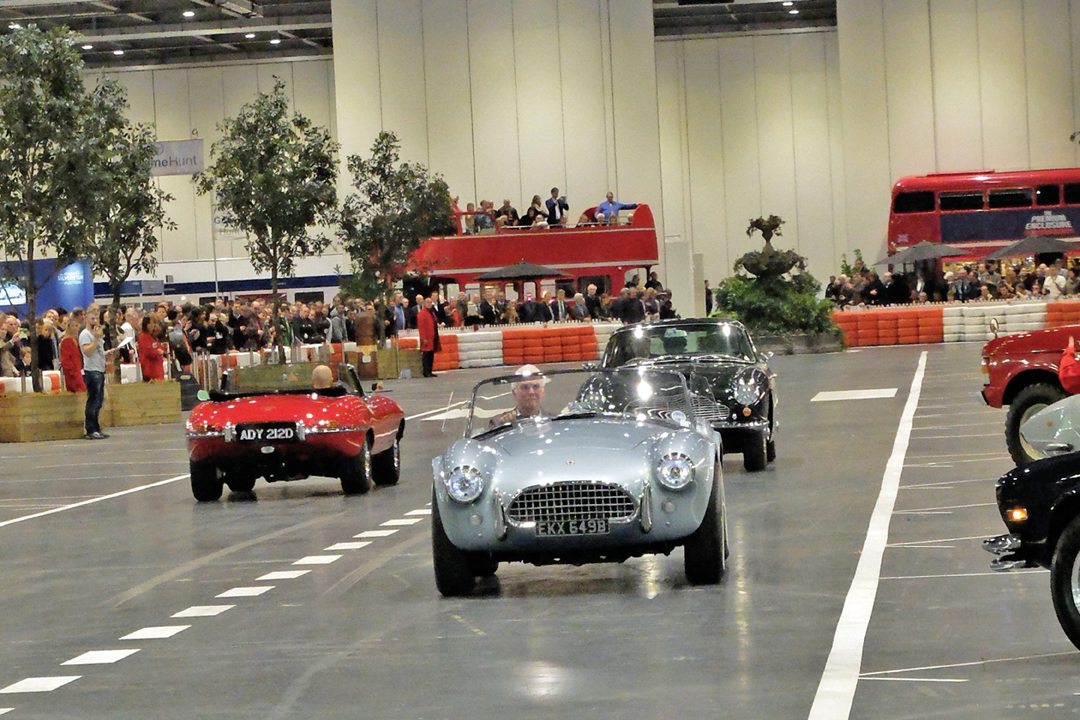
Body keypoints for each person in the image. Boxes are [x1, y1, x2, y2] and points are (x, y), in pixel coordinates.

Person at [80, 309, 116, 439]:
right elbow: (87, 352)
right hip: (92, 370)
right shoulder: (85, 334)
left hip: (100, 369)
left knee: (99, 400)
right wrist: (96, 339)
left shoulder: (97, 335)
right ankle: (90, 429)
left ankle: (96, 427)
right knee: (93, 400)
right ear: (86, 319)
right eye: (92, 319)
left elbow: (98, 352)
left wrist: (107, 353)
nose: (95, 322)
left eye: (96, 319)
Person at [59, 315, 85, 392]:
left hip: (78, 371)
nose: (74, 328)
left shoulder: (76, 339)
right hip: (72, 374)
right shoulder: (66, 341)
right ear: (68, 327)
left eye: (76, 326)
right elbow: (65, 360)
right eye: (72, 326)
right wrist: (73, 372)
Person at [418, 295, 441, 378]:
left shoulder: (431, 313)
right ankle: (426, 372)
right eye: (428, 302)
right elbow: (421, 327)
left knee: (431, 355)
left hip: (432, 337)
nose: (429, 304)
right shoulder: (422, 313)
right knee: (426, 355)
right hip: (426, 338)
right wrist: (423, 338)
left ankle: (430, 371)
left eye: (430, 302)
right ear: (424, 303)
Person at [138, 316, 167, 382]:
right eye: (152, 323)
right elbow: (147, 351)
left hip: (157, 369)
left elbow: (159, 346)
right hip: (150, 369)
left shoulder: (152, 337)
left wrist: (162, 350)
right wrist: (157, 352)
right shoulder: (143, 337)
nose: (154, 325)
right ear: (147, 325)